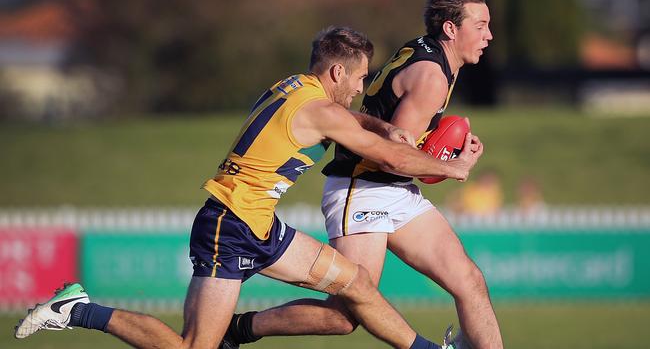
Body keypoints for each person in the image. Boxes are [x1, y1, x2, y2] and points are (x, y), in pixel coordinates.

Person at [15, 26, 483, 349]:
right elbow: (385, 155)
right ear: (338, 73)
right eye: (360, 78)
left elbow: (350, 121)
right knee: (193, 346)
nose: (363, 88)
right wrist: (452, 167)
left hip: (258, 223)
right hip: (229, 225)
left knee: (356, 284)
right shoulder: (322, 111)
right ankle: (77, 310)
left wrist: (381, 129)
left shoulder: (294, 87)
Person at [221, 0, 503, 349]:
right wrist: (453, 164)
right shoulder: (432, 76)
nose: (489, 35)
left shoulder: (429, 52)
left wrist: (440, 149)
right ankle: (238, 329)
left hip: (393, 189)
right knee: (345, 315)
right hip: (363, 190)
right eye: (480, 25)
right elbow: (391, 154)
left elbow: (402, 144)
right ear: (451, 29)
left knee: (470, 281)